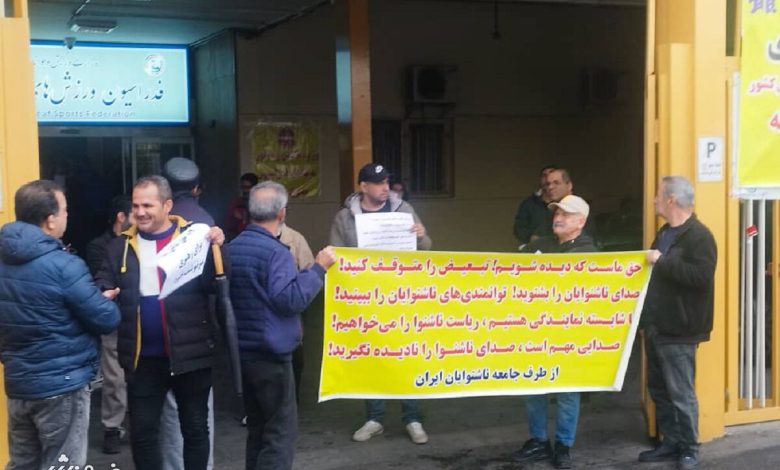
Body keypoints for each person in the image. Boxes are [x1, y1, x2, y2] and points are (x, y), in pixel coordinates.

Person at [95, 176, 225, 470]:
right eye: (136, 206)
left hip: (191, 355)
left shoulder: (194, 238)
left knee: (195, 429)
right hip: (142, 359)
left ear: (167, 205)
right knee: (143, 435)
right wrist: (103, 291)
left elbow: (216, 283)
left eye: (147, 205)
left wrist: (220, 248)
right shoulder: (119, 247)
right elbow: (103, 278)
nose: (140, 212)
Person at [0, 180, 120, 468]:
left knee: (23, 463)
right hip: (62, 385)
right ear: (51, 219)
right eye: (65, 210)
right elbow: (106, 318)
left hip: (19, 383)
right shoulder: (64, 266)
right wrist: (102, 300)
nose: (68, 215)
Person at [229, 181, 336, 470]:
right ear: (282, 213)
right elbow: (290, 300)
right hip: (271, 354)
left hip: (243, 351)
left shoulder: (233, 247)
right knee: (279, 433)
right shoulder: (276, 252)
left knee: (258, 429)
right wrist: (318, 269)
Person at [330, 162, 431, 444]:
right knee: (372, 357)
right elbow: (335, 255)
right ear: (363, 186)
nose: (385, 187)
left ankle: (412, 418)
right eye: (378, 183)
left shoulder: (403, 210)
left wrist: (421, 236)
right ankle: (374, 418)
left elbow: (427, 249)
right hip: (366, 300)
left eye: (387, 182)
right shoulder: (345, 217)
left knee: (406, 357)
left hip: (402, 297)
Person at [638, 176, 716, 470]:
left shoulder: (700, 236)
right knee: (659, 390)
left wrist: (662, 261)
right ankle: (670, 442)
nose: (654, 200)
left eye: (658, 195)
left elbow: (701, 277)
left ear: (671, 200)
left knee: (681, 393)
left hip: (681, 330)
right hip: (657, 326)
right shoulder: (665, 233)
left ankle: (689, 449)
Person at [515, 194, 596, 469]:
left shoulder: (589, 252)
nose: (558, 218)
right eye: (557, 213)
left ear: (581, 222)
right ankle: (539, 440)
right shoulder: (541, 246)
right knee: (533, 385)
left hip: (569, 335)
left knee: (567, 391)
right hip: (537, 331)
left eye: (565, 214)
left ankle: (563, 446)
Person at [162, 157, 218, 470]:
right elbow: (217, 281)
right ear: (196, 189)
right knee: (199, 415)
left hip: (163, 329)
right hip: (198, 330)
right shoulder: (206, 222)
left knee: (171, 410)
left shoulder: (158, 222)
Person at [85, 195, 133, 455]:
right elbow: (101, 279)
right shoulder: (99, 247)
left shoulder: (142, 242)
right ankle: (112, 429)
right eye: (135, 211)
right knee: (114, 377)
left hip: (138, 317)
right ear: (121, 216)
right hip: (114, 316)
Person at [513, 165, 556, 246]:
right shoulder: (529, 203)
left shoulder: (566, 203)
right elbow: (519, 228)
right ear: (540, 179)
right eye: (544, 175)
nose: (548, 179)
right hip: (534, 249)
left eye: (552, 175)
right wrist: (530, 237)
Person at [225, 172, 259, 240]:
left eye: (248, 187)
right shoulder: (236, 203)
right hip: (238, 238)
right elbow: (228, 226)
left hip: (256, 237)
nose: (245, 190)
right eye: (243, 187)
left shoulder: (261, 204)